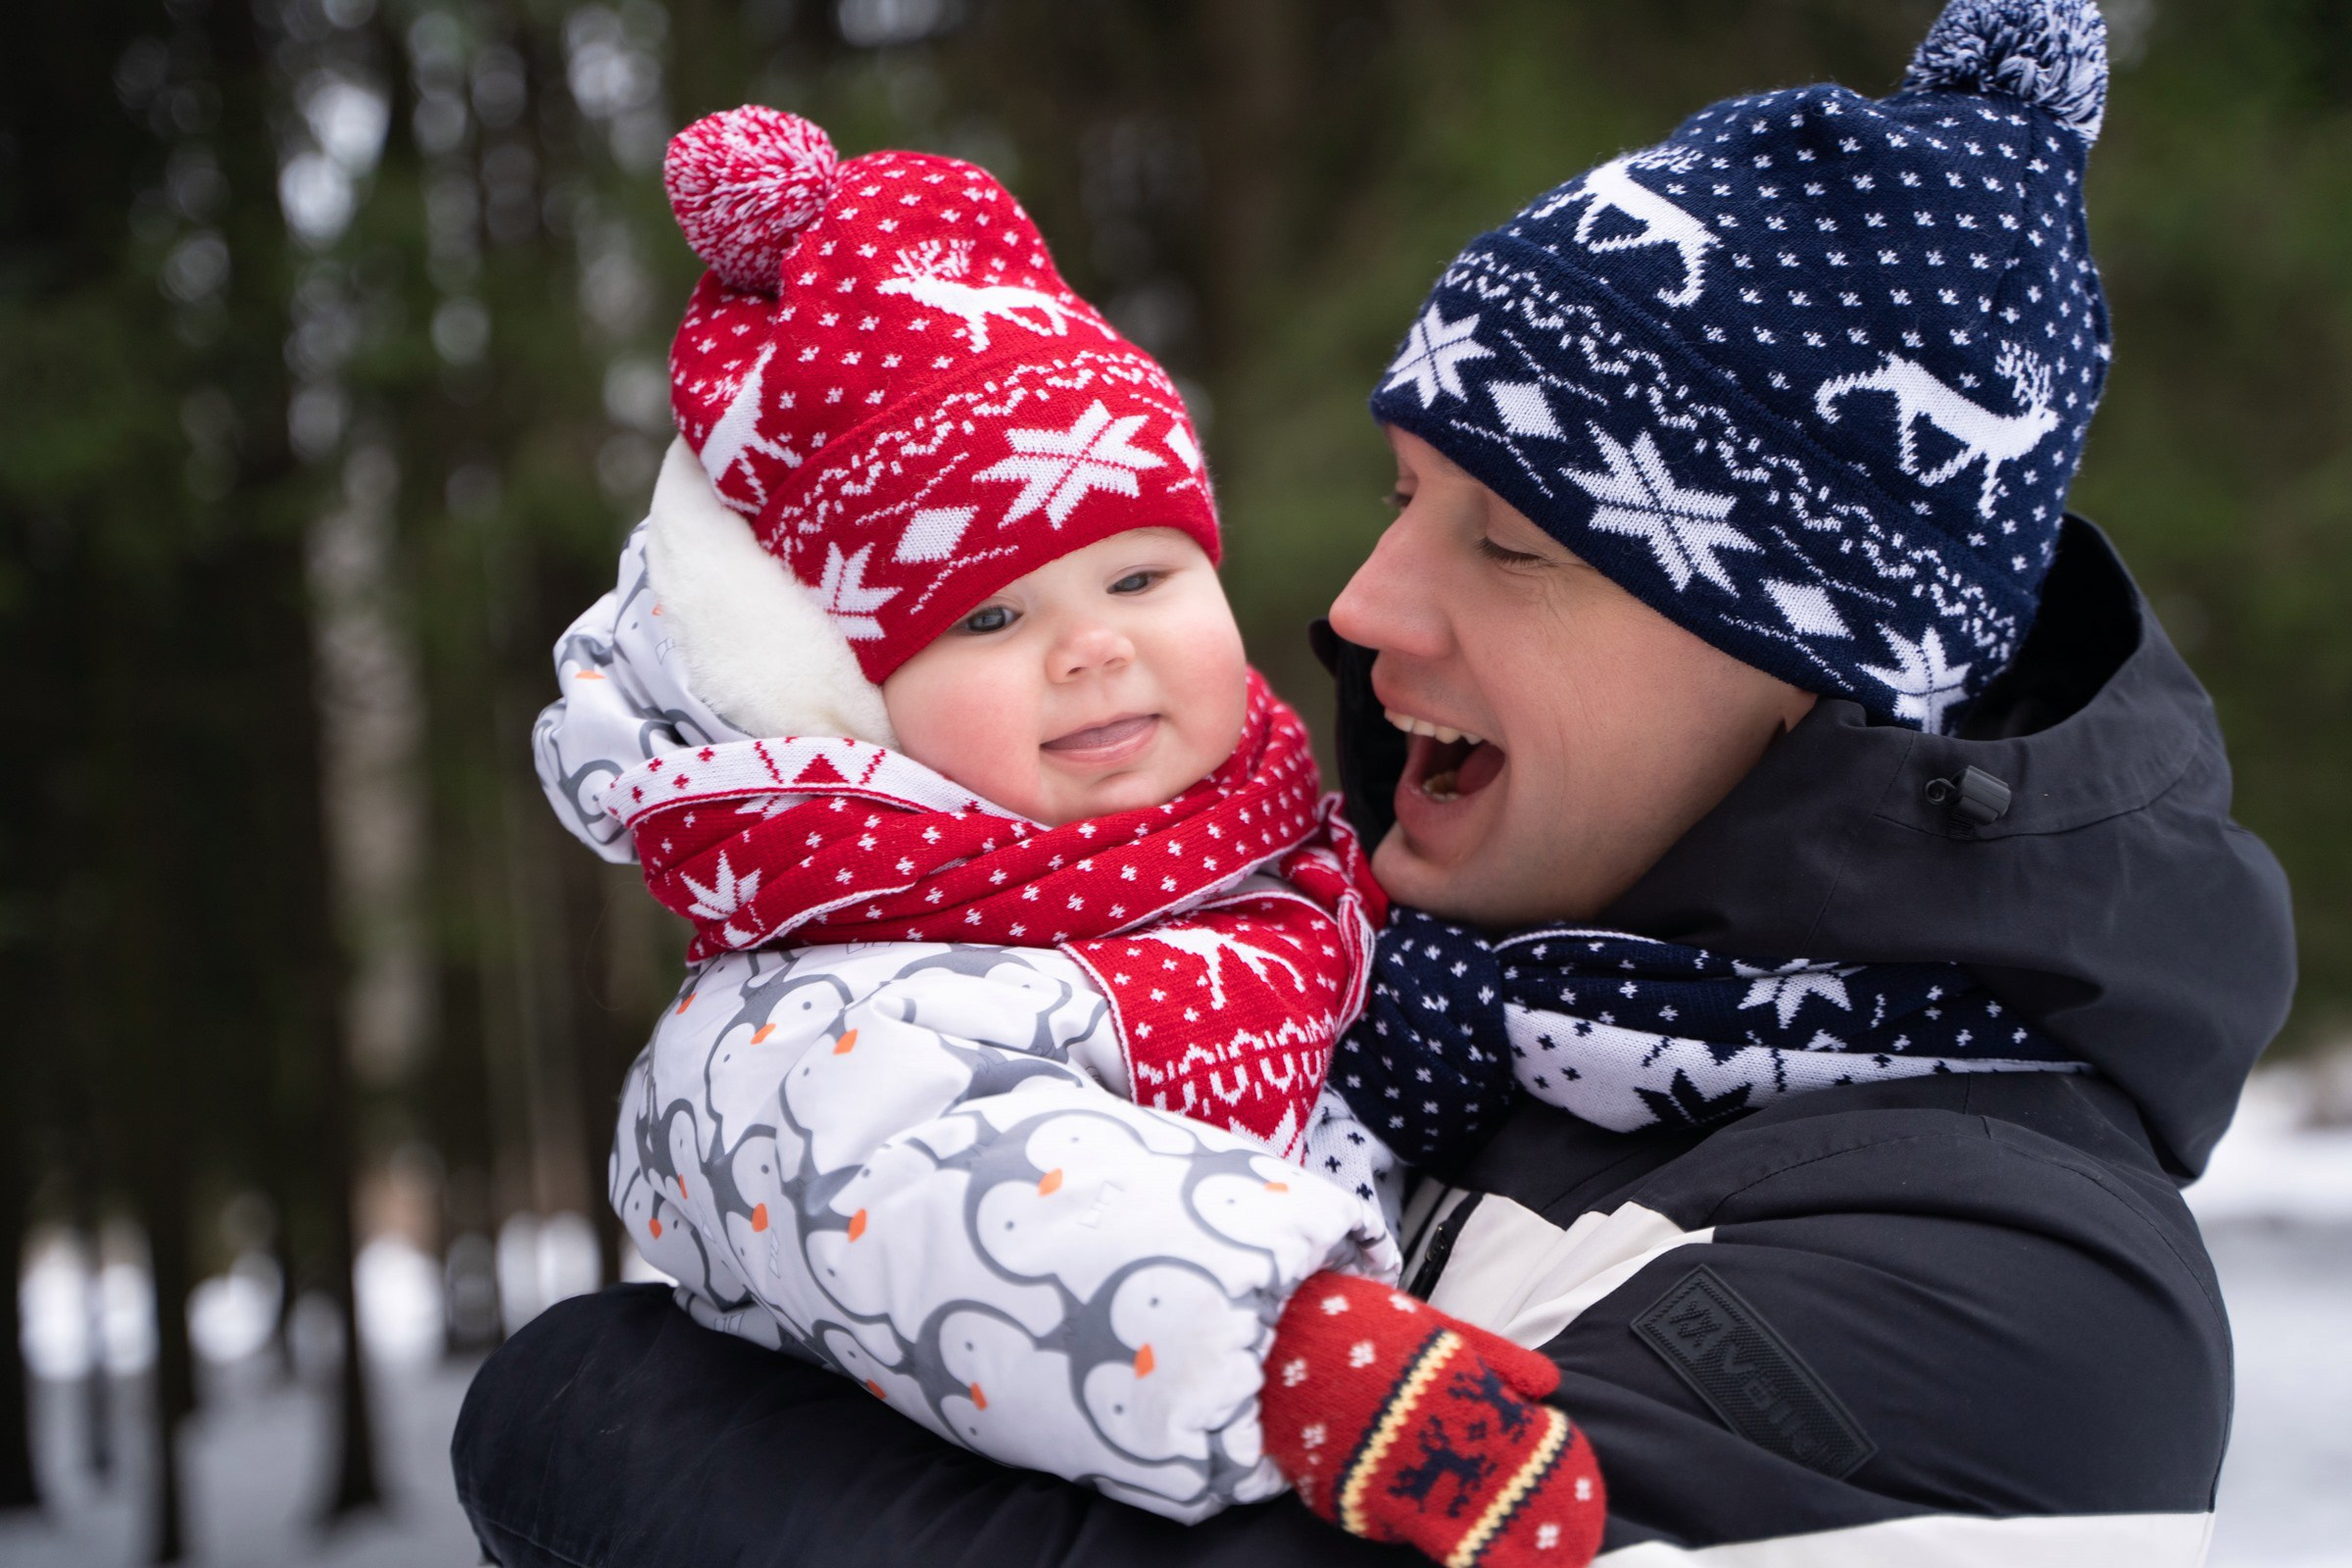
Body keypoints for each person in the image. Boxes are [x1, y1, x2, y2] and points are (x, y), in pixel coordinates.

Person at [455, 2, 2295, 1564]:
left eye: (1511, 544)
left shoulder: (2022, 1306)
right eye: (1408, 496)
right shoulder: (1389, 986)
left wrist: (609, 1422)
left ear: (1814, 673)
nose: (1352, 605)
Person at [529, 107, 1401, 1523]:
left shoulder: (1307, 853)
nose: (1091, 648)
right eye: (988, 614)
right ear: (855, 699)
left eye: (1139, 579)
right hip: (1255, 1427)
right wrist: (1303, 1355)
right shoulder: (830, 1000)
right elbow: (941, 1200)